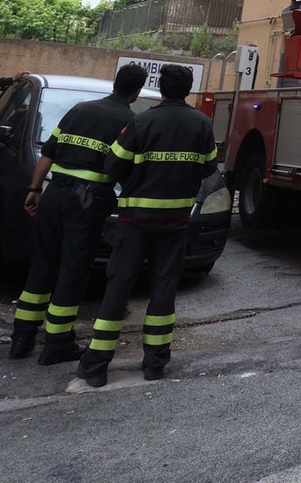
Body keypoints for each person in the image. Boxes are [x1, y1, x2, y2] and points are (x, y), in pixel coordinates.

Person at [76, 64, 216, 388]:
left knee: (119, 287)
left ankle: (96, 366)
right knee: (165, 288)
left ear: (162, 88)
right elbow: (209, 166)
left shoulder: (142, 121)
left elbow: (112, 164)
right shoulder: (202, 124)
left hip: (135, 221)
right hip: (177, 221)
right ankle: (155, 363)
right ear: (188, 89)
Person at [9, 63, 148, 363]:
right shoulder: (129, 121)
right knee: (73, 270)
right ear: (136, 92)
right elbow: (127, 170)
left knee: (42, 264)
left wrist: (34, 190)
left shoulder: (80, 110)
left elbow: (48, 152)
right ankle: (57, 345)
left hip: (54, 193)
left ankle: (21, 339)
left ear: (115, 82)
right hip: (87, 202)